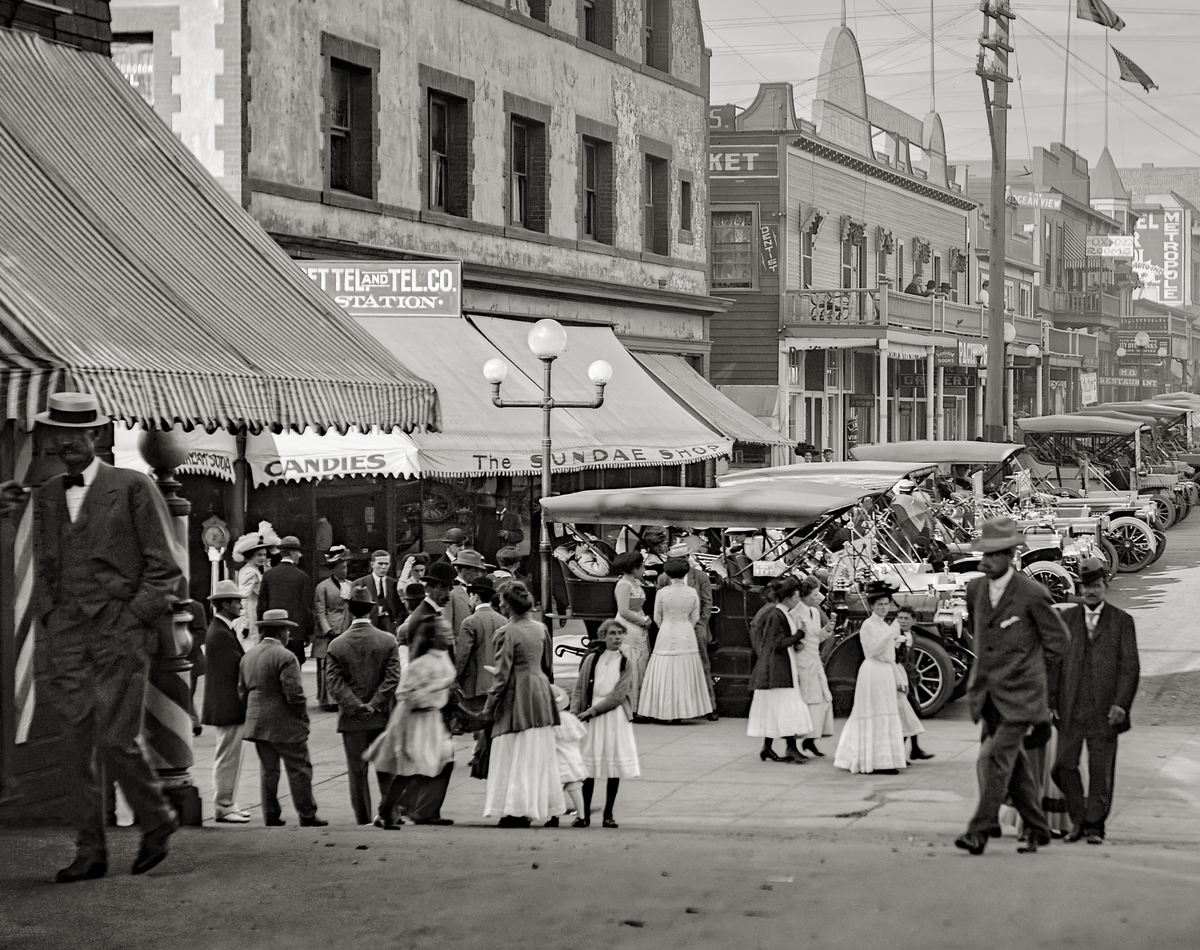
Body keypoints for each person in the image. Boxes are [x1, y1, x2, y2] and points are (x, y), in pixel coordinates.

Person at [0, 392, 181, 882]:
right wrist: (52, 621)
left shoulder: (132, 487)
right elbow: (42, 563)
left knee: (115, 738)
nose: (65, 443)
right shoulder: (48, 495)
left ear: (96, 437)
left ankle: (157, 819)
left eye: (75, 434)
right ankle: (90, 852)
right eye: (58, 435)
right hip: (68, 641)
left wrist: (132, 617)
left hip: (118, 636)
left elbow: (166, 569)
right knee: (74, 746)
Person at [954, 516, 1067, 856]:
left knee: (992, 759)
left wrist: (1032, 677)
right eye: (983, 555)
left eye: (991, 555)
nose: (984, 561)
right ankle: (1037, 827)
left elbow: (1059, 642)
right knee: (1014, 767)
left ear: (1009, 556)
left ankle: (980, 830)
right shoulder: (975, 589)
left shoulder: (1032, 594)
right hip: (987, 695)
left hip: (1021, 698)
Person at [1051, 557, 1140, 845]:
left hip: (1105, 711)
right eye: (1087, 586)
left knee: (1101, 772)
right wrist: (1052, 700)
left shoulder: (1122, 621)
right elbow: (1055, 663)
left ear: (1105, 586)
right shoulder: (1067, 619)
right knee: (1063, 765)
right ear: (1080, 587)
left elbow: (1130, 668)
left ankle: (1095, 827)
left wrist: (1121, 704)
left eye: (1097, 586)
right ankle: (1078, 819)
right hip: (1071, 708)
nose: (1091, 591)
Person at [367, 602, 458, 827]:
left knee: (441, 760)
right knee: (410, 769)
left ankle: (413, 809)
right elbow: (404, 693)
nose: (447, 636)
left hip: (432, 718)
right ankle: (389, 811)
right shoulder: (421, 664)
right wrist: (432, 690)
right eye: (443, 632)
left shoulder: (442, 657)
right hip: (415, 719)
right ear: (432, 637)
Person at [482, 581, 564, 828]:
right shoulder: (540, 629)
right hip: (540, 690)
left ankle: (515, 810)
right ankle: (546, 806)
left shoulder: (506, 633)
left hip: (516, 694)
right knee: (537, 752)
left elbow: (501, 675)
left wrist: (489, 706)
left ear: (507, 606)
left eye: (502, 603)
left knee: (512, 751)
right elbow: (548, 667)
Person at [238, 609, 327, 828]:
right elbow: (293, 693)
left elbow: (242, 691)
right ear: (280, 632)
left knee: (269, 771)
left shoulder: (248, 655)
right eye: (287, 630)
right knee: (298, 768)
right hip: (284, 723)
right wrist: (302, 716)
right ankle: (307, 813)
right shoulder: (286, 657)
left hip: (257, 722)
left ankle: (270, 814)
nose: (289, 634)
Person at [325, 587, 402, 826]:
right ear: (372, 609)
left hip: (352, 720)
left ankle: (363, 819)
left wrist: (356, 707)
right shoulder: (388, 640)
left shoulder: (337, 645)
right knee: (387, 769)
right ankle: (390, 814)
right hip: (381, 716)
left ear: (349, 608)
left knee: (357, 773)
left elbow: (334, 683)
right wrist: (375, 704)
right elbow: (392, 678)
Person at [834, 583, 910, 775]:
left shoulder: (884, 625)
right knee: (875, 711)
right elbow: (873, 650)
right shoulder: (869, 625)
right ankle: (872, 760)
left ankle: (884, 760)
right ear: (872, 606)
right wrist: (890, 636)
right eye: (879, 605)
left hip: (885, 671)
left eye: (886, 604)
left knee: (886, 712)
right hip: (873, 671)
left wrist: (898, 676)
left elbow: (889, 654)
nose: (884, 608)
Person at [573, 620, 640, 828]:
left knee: (613, 765)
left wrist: (592, 711)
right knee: (588, 765)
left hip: (613, 716)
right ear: (604, 636)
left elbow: (618, 695)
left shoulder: (625, 662)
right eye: (612, 633)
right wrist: (575, 714)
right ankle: (583, 815)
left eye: (621, 634)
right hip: (590, 714)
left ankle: (608, 814)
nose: (617, 638)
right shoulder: (592, 659)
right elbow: (579, 688)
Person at [747, 576, 814, 764]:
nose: (799, 598)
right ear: (791, 596)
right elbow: (779, 642)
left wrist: (795, 640)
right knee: (785, 704)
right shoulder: (779, 614)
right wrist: (799, 634)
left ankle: (768, 747)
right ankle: (791, 748)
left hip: (777, 665)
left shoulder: (780, 613)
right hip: (779, 666)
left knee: (775, 706)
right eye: (797, 595)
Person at [639, 558, 714, 722]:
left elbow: (657, 616)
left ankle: (664, 709)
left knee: (664, 669)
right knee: (687, 668)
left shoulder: (662, 592)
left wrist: (665, 625)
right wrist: (686, 624)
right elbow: (695, 616)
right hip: (686, 630)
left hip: (666, 630)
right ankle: (687, 709)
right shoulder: (692, 592)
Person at [202, 580, 249, 823]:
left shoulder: (222, 629)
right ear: (225, 604)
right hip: (228, 705)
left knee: (230, 756)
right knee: (227, 757)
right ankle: (223, 806)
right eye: (237, 601)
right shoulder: (219, 633)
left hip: (228, 705)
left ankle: (228, 802)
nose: (240, 605)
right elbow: (235, 669)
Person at [655, 543, 718, 718]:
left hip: (695, 627)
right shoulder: (663, 578)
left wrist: (700, 624)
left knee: (702, 665)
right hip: (673, 626)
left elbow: (707, 604)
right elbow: (659, 608)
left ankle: (710, 706)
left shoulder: (700, 576)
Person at [790, 577, 835, 757]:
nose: (818, 597)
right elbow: (791, 637)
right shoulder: (795, 614)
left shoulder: (814, 613)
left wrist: (828, 630)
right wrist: (795, 644)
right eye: (815, 594)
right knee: (805, 702)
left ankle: (811, 739)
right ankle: (797, 741)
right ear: (805, 595)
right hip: (802, 663)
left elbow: (817, 637)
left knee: (822, 701)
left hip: (814, 662)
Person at [258, 535, 314, 668]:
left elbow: (261, 605)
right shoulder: (302, 577)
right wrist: (308, 632)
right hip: (296, 633)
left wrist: (262, 629)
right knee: (292, 669)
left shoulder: (268, 576)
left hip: (272, 633)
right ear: (293, 553)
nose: (300, 555)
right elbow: (306, 607)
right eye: (298, 552)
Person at [456, 575, 504, 713]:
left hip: (475, 684)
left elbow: (462, 655)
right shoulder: (503, 620)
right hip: (499, 681)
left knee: (478, 725)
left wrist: (456, 678)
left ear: (475, 597)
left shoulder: (470, 622)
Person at [313, 545, 352, 711]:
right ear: (334, 568)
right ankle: (327, 699)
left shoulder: (351, 585)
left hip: (347, 626)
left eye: (346, 567)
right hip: (329, 629)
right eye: (342, 567)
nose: (345, 570)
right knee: (326, 664)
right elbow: (319, 611)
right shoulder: (322, 587)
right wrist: (327, 630)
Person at [612, 551, 651, 712]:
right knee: (632, 663)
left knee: (639, 663)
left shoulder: (634, 583)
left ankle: (638, 705)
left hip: (637, 624)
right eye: (641, 566)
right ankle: (631, 706)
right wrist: (642, 621)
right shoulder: (624, 585)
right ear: (634, 568)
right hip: (628, 626)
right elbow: (623, 611)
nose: (643, 569)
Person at [893, 606, 934, 761]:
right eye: (900, 618)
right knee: (909, 714)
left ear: (914, 621)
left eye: (906, 618)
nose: (902, 621)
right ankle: (906, 751)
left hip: (910, 678)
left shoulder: (913, 636)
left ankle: (913, 749)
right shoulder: (895, 635)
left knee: (913, 713)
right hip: (899, 678)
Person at [546, 684, 588, 827]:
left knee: (554, 789)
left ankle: (554, 817)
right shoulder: (569, 718)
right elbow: (582, 735)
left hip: (557, 759)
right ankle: (582, 816)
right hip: (573, 757)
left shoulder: (549, 721)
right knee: (575, 787)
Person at [233, 523, 281, 645]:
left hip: (256, 611)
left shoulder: (253, 571)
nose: (263, 558)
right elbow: (244, 598)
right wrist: (245, 624)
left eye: (264, 555)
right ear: (250, 556)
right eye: (259, 555)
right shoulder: (250, 573)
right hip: (250, 613)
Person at [449, 549, 494, 648]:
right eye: (475, 570)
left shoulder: (477, 590)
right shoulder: (451, 592)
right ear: (464, 570)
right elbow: (447, 626)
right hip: (459, 648)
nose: (478, 574)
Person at [352, 549, 403, 634]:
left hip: (389, 628)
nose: (383, 567)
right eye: (380, 563)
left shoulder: (394, 584)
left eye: (386, 564)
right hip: (368, 628)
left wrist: (396, 625)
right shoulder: (360, 583)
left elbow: (399, 609)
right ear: (372, 564)